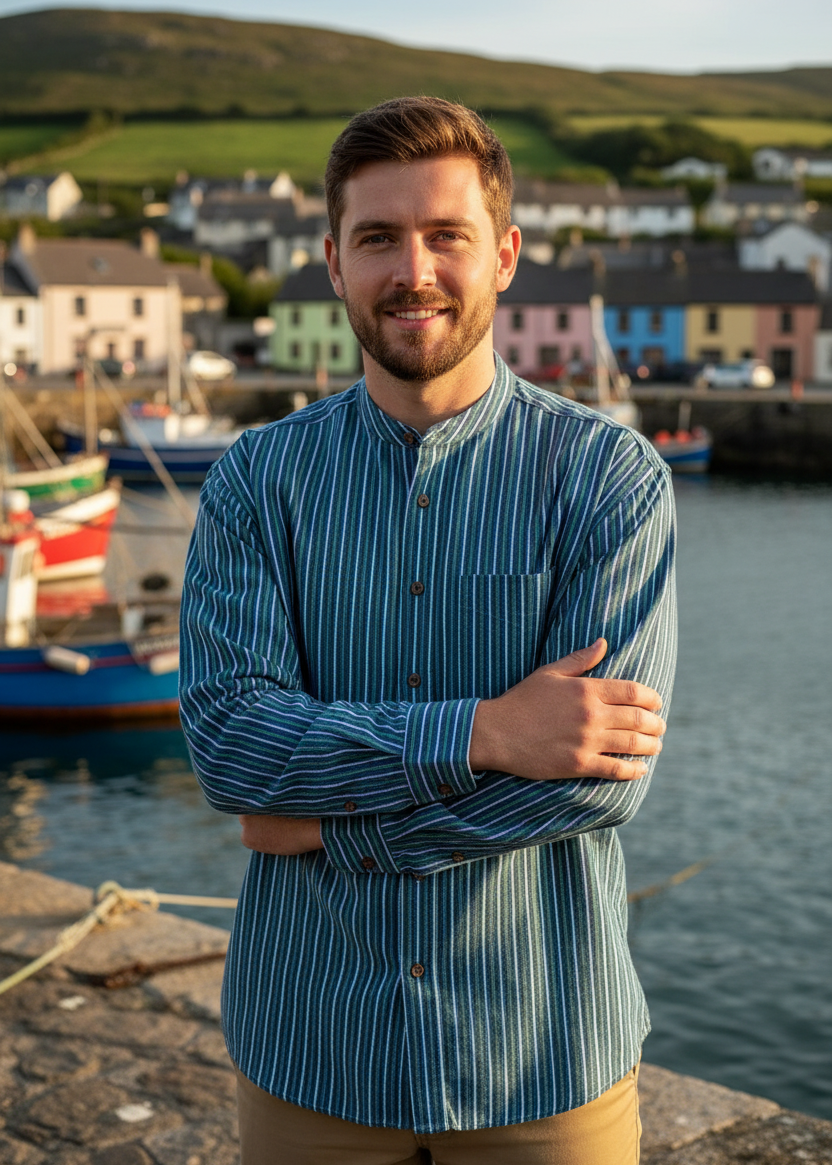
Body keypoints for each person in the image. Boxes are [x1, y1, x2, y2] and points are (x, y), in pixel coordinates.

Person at [180, 95, 677, 1165]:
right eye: (378, 238)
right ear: (331, 262)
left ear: (501, 255)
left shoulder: (606, 477)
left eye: (445, 236)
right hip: (312, 1050)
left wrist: (327, 827)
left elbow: (602, 778)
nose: (414, 269)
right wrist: (482, 733)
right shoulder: (256, 484)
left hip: (541, 1059)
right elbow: (230, 743)